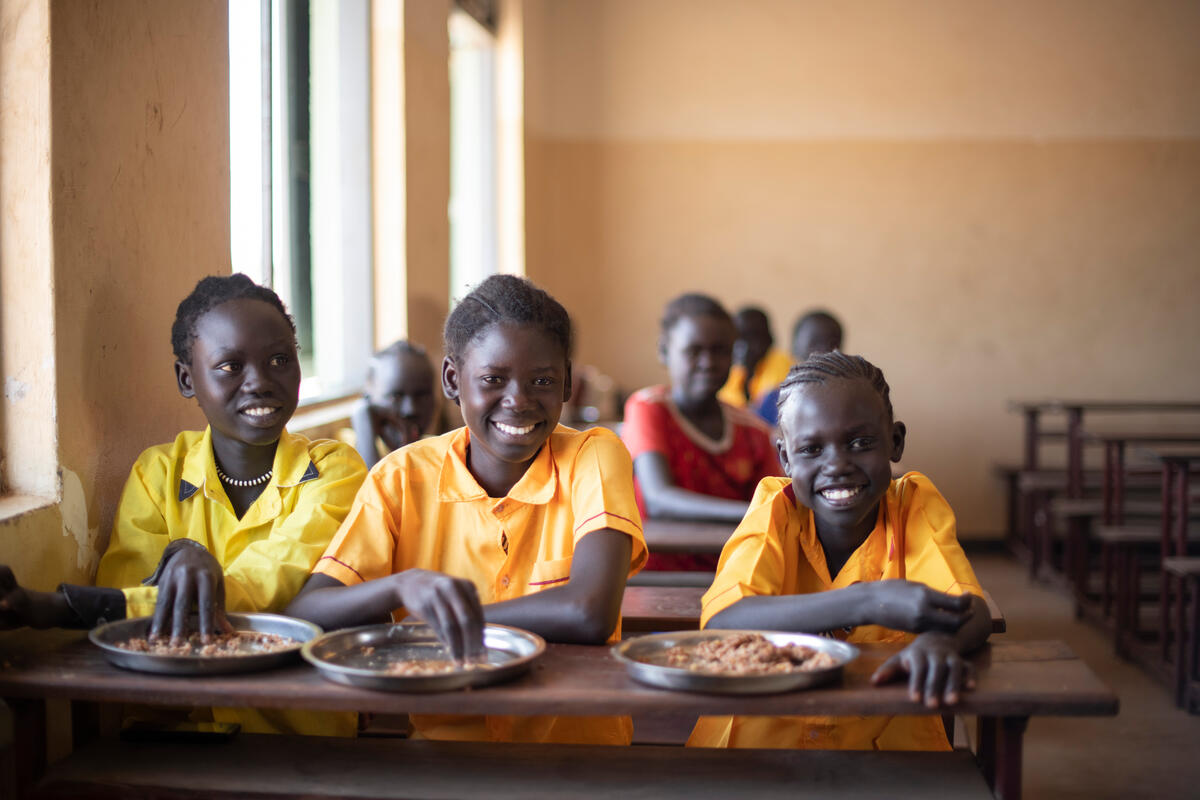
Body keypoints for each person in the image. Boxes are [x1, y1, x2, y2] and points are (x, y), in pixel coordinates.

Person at [286, 274, 647, 745]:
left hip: (577, 756)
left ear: (567, 385)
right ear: (453, 381)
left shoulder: (593, 456)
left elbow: (589, 612)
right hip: (445, 754)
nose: (517, 401)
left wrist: (441, 619)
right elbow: (309, 611)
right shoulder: (401, 477)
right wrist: (402, 585)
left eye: (542, 380)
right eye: (493, 380)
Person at [0, 273, 368, 734]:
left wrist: (65, 608)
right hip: (170, 732)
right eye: (230, 366)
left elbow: (276, 579)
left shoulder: (334, 469)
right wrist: (182, 559)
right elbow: (126, 613)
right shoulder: (157, 475)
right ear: (186, 378)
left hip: (294, 734)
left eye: (279, 359)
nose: (260, 381)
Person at [688, 352, 990, 750]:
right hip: (758, 755)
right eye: (812, 450)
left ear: (895, 442)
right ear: (785, 459)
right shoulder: (774, 508)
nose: (838, 465)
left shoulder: (913, 504)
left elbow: (972, 609)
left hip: (886, 760)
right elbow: (724, 621)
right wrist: (866, 601)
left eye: (860, 443)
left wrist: (940, 642)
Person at [622, 294, 781, 571]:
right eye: (694, 351)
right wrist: (751, 512)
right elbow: (658, 499)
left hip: (733, 572)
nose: (708, 362)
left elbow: (774, 501)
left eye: (720, 351)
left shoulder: (752, 431)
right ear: (664, 351)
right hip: (655, 576)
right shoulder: (649, 408)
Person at [348, 340, 437, 467]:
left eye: (421, 395)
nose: (410, 410)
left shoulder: (440, 452)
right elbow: (372, 486)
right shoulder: (342, 455)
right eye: (396, 396)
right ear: (367, 398)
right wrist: (365, 432)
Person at [756, 309, 844, 426]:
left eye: (833, 343)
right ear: (794, 347)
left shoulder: (846, 399)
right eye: (815, 343)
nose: (824, 350)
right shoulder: (774, 401)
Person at [717, 306, 792, 410]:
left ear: (769, 339)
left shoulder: (783, 364)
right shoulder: (731, 370)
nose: (744, 347)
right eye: (738, 338)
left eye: (752, 338)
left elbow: (767, 408)